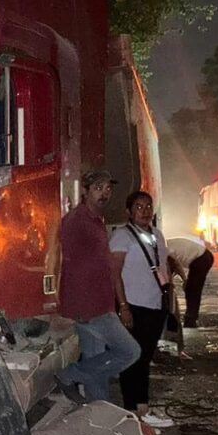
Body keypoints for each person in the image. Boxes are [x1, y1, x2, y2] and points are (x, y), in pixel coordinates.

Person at [54, 170, 141, 404]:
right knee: (130, 352)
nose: (104, 193)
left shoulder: (95, 220)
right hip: (91, 306)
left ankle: (99, 413)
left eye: (108, 189)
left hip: (97, 302)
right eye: (98, 188)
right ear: (85, 191)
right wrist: (81, 304)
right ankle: (69, 375)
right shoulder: (76, 221)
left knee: (96, 360)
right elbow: (70, 263)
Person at [110, 192, 174, 428]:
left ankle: (142, 408)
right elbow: (114, 273)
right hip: (134, 305)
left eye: (148, 206)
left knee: (145, 357)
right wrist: (123, 306)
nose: (145, 211)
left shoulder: (157, 235)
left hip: (156, 305)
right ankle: (132, 409)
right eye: (139, 207)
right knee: (132, 357)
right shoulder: (121, 236)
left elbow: (163, 266)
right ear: (129, 211)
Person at [167, 235, 213, 329]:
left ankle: (190, 319)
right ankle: (190, 317)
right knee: (191, 289)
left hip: (202, 257)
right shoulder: (163, 245)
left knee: (193, 290)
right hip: (201, 256)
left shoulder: (162, 249)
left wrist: (184, 280)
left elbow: (176, 266)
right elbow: (172, 269)